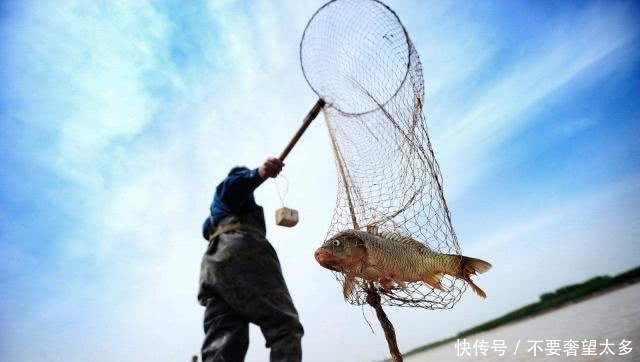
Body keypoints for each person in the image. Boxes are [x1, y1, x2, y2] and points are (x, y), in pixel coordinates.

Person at [198, 157, 304, 362]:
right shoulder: (230, 190)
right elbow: (233, 186)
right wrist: (259, 173)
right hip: (243, 251)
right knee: (284, 326)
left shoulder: (214, 217)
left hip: (213, 266)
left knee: (223, 339)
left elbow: (205, 230)